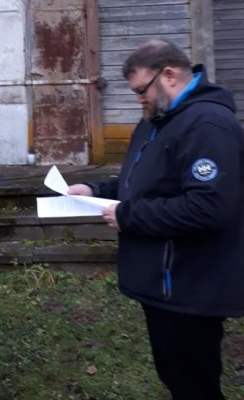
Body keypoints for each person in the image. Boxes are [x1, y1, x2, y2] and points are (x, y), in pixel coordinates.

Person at [68, 39, 244, 399]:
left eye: (141, 90)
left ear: (169, 75)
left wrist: (128, 215)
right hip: (166, 283)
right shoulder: (159, 118)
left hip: (190, 285)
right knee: (177, 377)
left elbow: (208, 206)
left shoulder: (207, 125)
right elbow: (143, 182)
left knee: (195, 385)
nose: (138, 100)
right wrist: (95, 189)